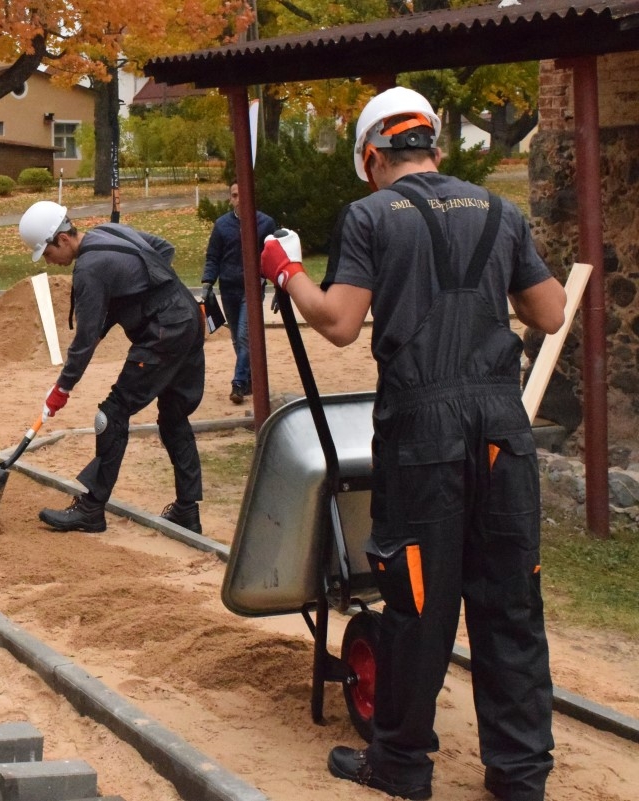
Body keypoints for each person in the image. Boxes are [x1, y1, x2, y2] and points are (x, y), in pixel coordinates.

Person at [259, 87, 566, 801]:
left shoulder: (371, 216)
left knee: (419, 599)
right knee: (511, 598)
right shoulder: (500, 210)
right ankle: (520, 773)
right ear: (431, 143)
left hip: (423, 429)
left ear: (371, 156)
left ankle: (400, 763)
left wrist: (288, 271)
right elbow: (548, 312)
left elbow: (338, 322)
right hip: (501, 427)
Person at [18, 200, 206, 535]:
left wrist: (62, 388)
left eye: (46, 254)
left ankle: (91, 509)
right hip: (188, 317)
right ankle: (187, 511)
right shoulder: (109, 230)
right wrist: (138, 294)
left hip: (163, 332)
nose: (49, 262)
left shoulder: (89, 269)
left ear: (62, 240)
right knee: (174, 415)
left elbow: (86, 340)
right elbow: (164, 249)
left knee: (111, 415)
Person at [202, 183, 278, 404]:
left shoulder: (265, 223)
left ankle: (238, 382)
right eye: (235, 195)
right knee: (237, 338)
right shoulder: (222, 225)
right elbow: (213, 257)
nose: (239, 199)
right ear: (230, 199)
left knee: (245, 336)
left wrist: (279, 288)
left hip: (253, 289)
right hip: (228, 288)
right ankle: (251, 380)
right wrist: (207, 283)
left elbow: (274, 258)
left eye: (242, 194)